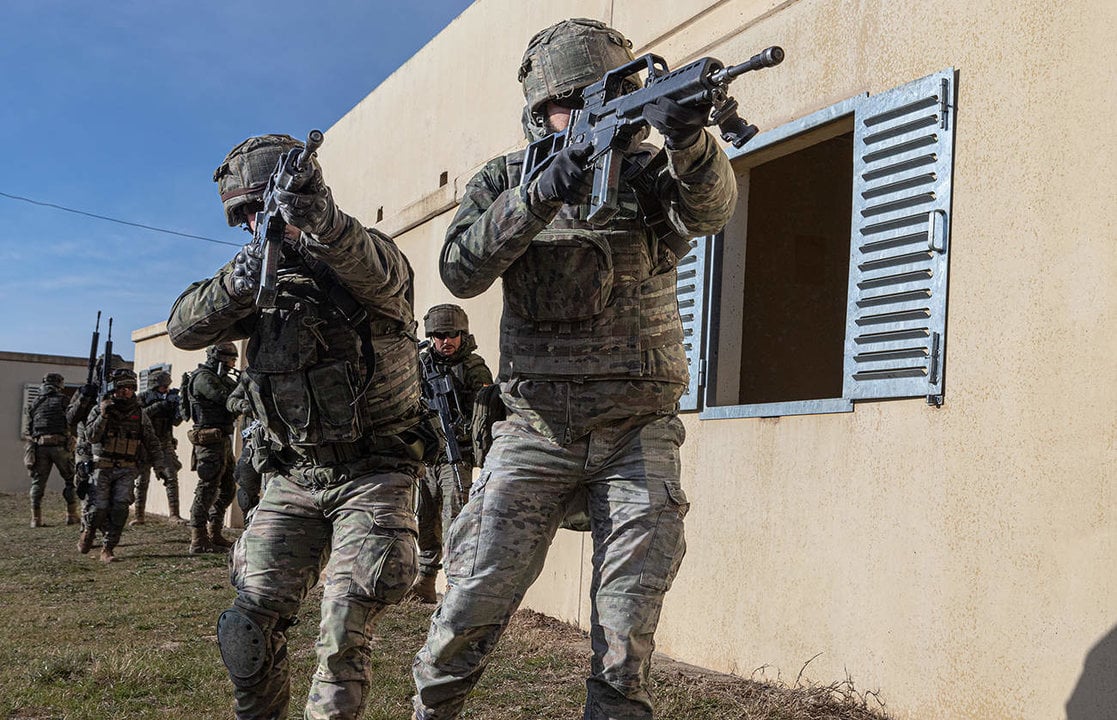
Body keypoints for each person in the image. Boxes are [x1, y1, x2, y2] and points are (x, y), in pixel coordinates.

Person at [411, 18, 737, 720]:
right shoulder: (506, 176)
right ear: (540, 112)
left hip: (636, 429)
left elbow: (711, 214)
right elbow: (459, 270)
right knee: (471, 597)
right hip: (535, 428)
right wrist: (541, 192)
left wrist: (689, 139)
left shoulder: (652, 173)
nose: (585, 112)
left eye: (607, 94)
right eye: (570, 102)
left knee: (627, 625)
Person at [167, 133, 426, 720]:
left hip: (374, 469)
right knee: (248, 625)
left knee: (344, 625)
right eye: (247, 216)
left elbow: (385, 274)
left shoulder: (359, 256)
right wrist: (242, 277)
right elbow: (183, 327)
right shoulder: (254, 279)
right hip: (294, 476)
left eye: (266, 207)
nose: (258, 223)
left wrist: (323, 223)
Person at [407, 304, 493, 603]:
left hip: (457, 454)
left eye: (453, 334)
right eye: (440, 335)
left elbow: (485, 416)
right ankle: (426, 579)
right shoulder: (419, 365)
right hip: (429, 454)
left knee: (456, 517)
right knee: (425, 515)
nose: (447, 341)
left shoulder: (473, 368)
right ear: (432, 337)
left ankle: (457, 585)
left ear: (462, 334)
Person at [76, 368, 168, 563]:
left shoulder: (139, 413)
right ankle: (89, 531)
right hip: (102, 466)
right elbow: (91, 436)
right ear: (113, 389)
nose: (126, 392)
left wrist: (160, 466)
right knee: (98, 509)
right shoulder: (100, 409)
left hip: (127, 468)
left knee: (120, 509)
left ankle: (108, 548)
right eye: (122, 388)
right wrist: (104, 415)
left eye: (130, 388)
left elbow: (152, 441)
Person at [182, 342, 240, 553]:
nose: (234, 363)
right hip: (208, 440)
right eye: (231, 359)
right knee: (207, 488)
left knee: (228, 488)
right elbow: (225, 398)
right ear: (220, 359)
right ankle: (198, 539)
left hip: (222, 439)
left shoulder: (221, 378)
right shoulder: (203, 378)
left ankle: (214, 533)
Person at [21, 372, 78, 527]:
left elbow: (29, 429)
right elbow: (73, 420)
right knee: (70, 480)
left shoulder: (35, 403)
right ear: (59, 384)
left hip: (40, 447)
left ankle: (35, 519)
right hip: (60, 447)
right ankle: (72, 515)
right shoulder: (64, 401)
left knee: (38, 482)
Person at [132, 370, 187, 525]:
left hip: (164, 443)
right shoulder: (143, 398)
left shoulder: (171, 399)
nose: (166, 389)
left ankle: (174, 514)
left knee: (171, 476)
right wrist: (158, 406)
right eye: (163, 387)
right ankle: (138, 515)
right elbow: (138, 416)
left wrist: (179, 407)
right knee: (142, 480)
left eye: (167, 386)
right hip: (145, 445)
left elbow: (176, 422)